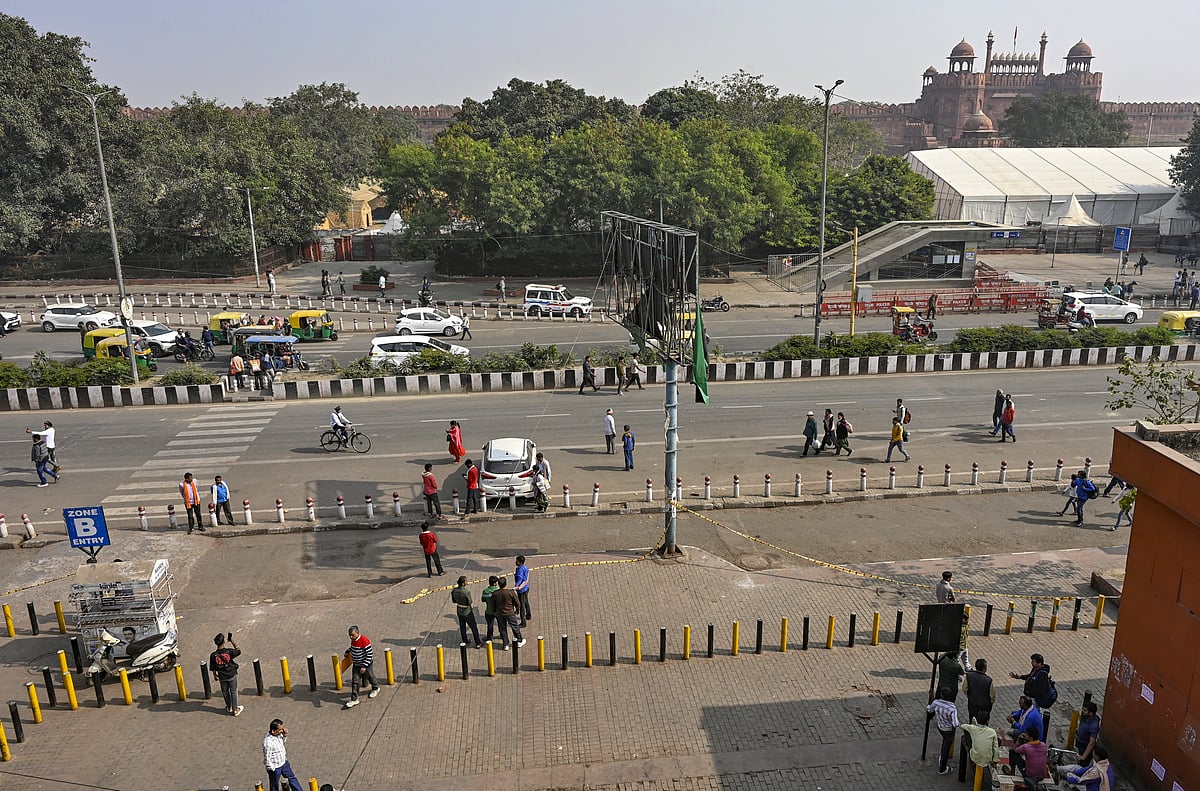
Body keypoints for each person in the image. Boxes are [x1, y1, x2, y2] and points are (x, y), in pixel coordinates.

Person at [1056, 701, 1101, 779]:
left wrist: (1083, 756)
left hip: (1085, 748)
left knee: (1082, 767)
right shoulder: (1087, 718)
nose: (1083, 712)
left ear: (1091, 713)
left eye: (1085, 710)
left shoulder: (1094, 726)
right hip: (1080, 745)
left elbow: (1092, 742)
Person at [343, 626, 380, 707]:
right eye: (350, 635)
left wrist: (364, 666)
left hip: (366, 664)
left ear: (357, 633)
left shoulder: (364, 640)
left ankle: (375, 687)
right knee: (355, 681)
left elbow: (369, 654)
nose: (351, 637)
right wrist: (348, 651)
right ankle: (354, 699)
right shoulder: (353, 640)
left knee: (370, 676)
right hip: (356, 664)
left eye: (352, 635)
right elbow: (353, 648)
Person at [927, 686, 959, 775]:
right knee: (946, 747)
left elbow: (929, 710)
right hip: (949, 730)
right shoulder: (952, 708)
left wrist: (931, 699)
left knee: (945, 743)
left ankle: (943, 760)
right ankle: (942, 768)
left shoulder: (936, 703)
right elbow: (956, 723)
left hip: (940, 727)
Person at [263, 719, 302, 791]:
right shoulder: (268, 743)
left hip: (283, 763)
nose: (282, 730)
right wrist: (273, 769)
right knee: (274, 785)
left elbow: (282, 742)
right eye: (280, 729)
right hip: (275, 767)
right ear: (273, 731)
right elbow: (267, 759)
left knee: (292, 778)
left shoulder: (279, 735)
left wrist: (285, 736)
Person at [210, 633, 243, 716]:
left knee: (225, 692)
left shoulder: (213, 655)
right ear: (224, 642)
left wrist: (214, 675)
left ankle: (229, 706)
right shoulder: (229, 652)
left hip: (222, 676)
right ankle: (235, 710)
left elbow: (213, 667)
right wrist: (232, 640)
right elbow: (238, 651)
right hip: (231, 674)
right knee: (233, 691)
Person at [491, 576, 525, 650]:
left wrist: (494, 612)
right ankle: (519, 640)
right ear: (506, 584)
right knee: (515, 627)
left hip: (500, 613)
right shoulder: (510, 592)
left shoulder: (495, 593)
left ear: (498, 584)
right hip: (510, 613)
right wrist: (517, 610)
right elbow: (518, 603)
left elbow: (493, 604)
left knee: (502, 629)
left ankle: (505, 644)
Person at [451, 576, 483, 649]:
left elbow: (454, 601)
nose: (467, 582)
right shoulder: (466, 592)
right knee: (473, 627)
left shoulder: (454, 590)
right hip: (467, 611)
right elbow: (470, 602)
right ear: (463, 583)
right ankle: (478, 642)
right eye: (466, 581)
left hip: (459, 610)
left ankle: (465, 640)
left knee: (462, 626)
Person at [963, 658, 995, 726]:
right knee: (983, 721)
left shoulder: (969, 676)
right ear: (984, 669)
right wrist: (991, 703)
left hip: (972, 703)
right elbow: (992, 695)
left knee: (972, 718)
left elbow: (964, 688)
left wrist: (969, 696)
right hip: (985, 705)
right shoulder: (988, 680)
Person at [481, 575, 500, 643]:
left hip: (489, 611)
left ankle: (489, 638)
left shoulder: (485, 591)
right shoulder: (498, 591)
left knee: (490, 625)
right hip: (498, 611)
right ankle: (502, 634)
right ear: (495, 583)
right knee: (500, 624)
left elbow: (483, 600)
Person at [514, 555, 532, 627]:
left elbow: (519, 579)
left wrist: (517, 586)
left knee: (522, 606)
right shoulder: (525, 567)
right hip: (526, 588)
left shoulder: (519, 570)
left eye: (517, 561)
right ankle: (528, 615)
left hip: (521, 590)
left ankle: (523, 622)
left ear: (520, 562)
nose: (515, 562)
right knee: (526, 602)